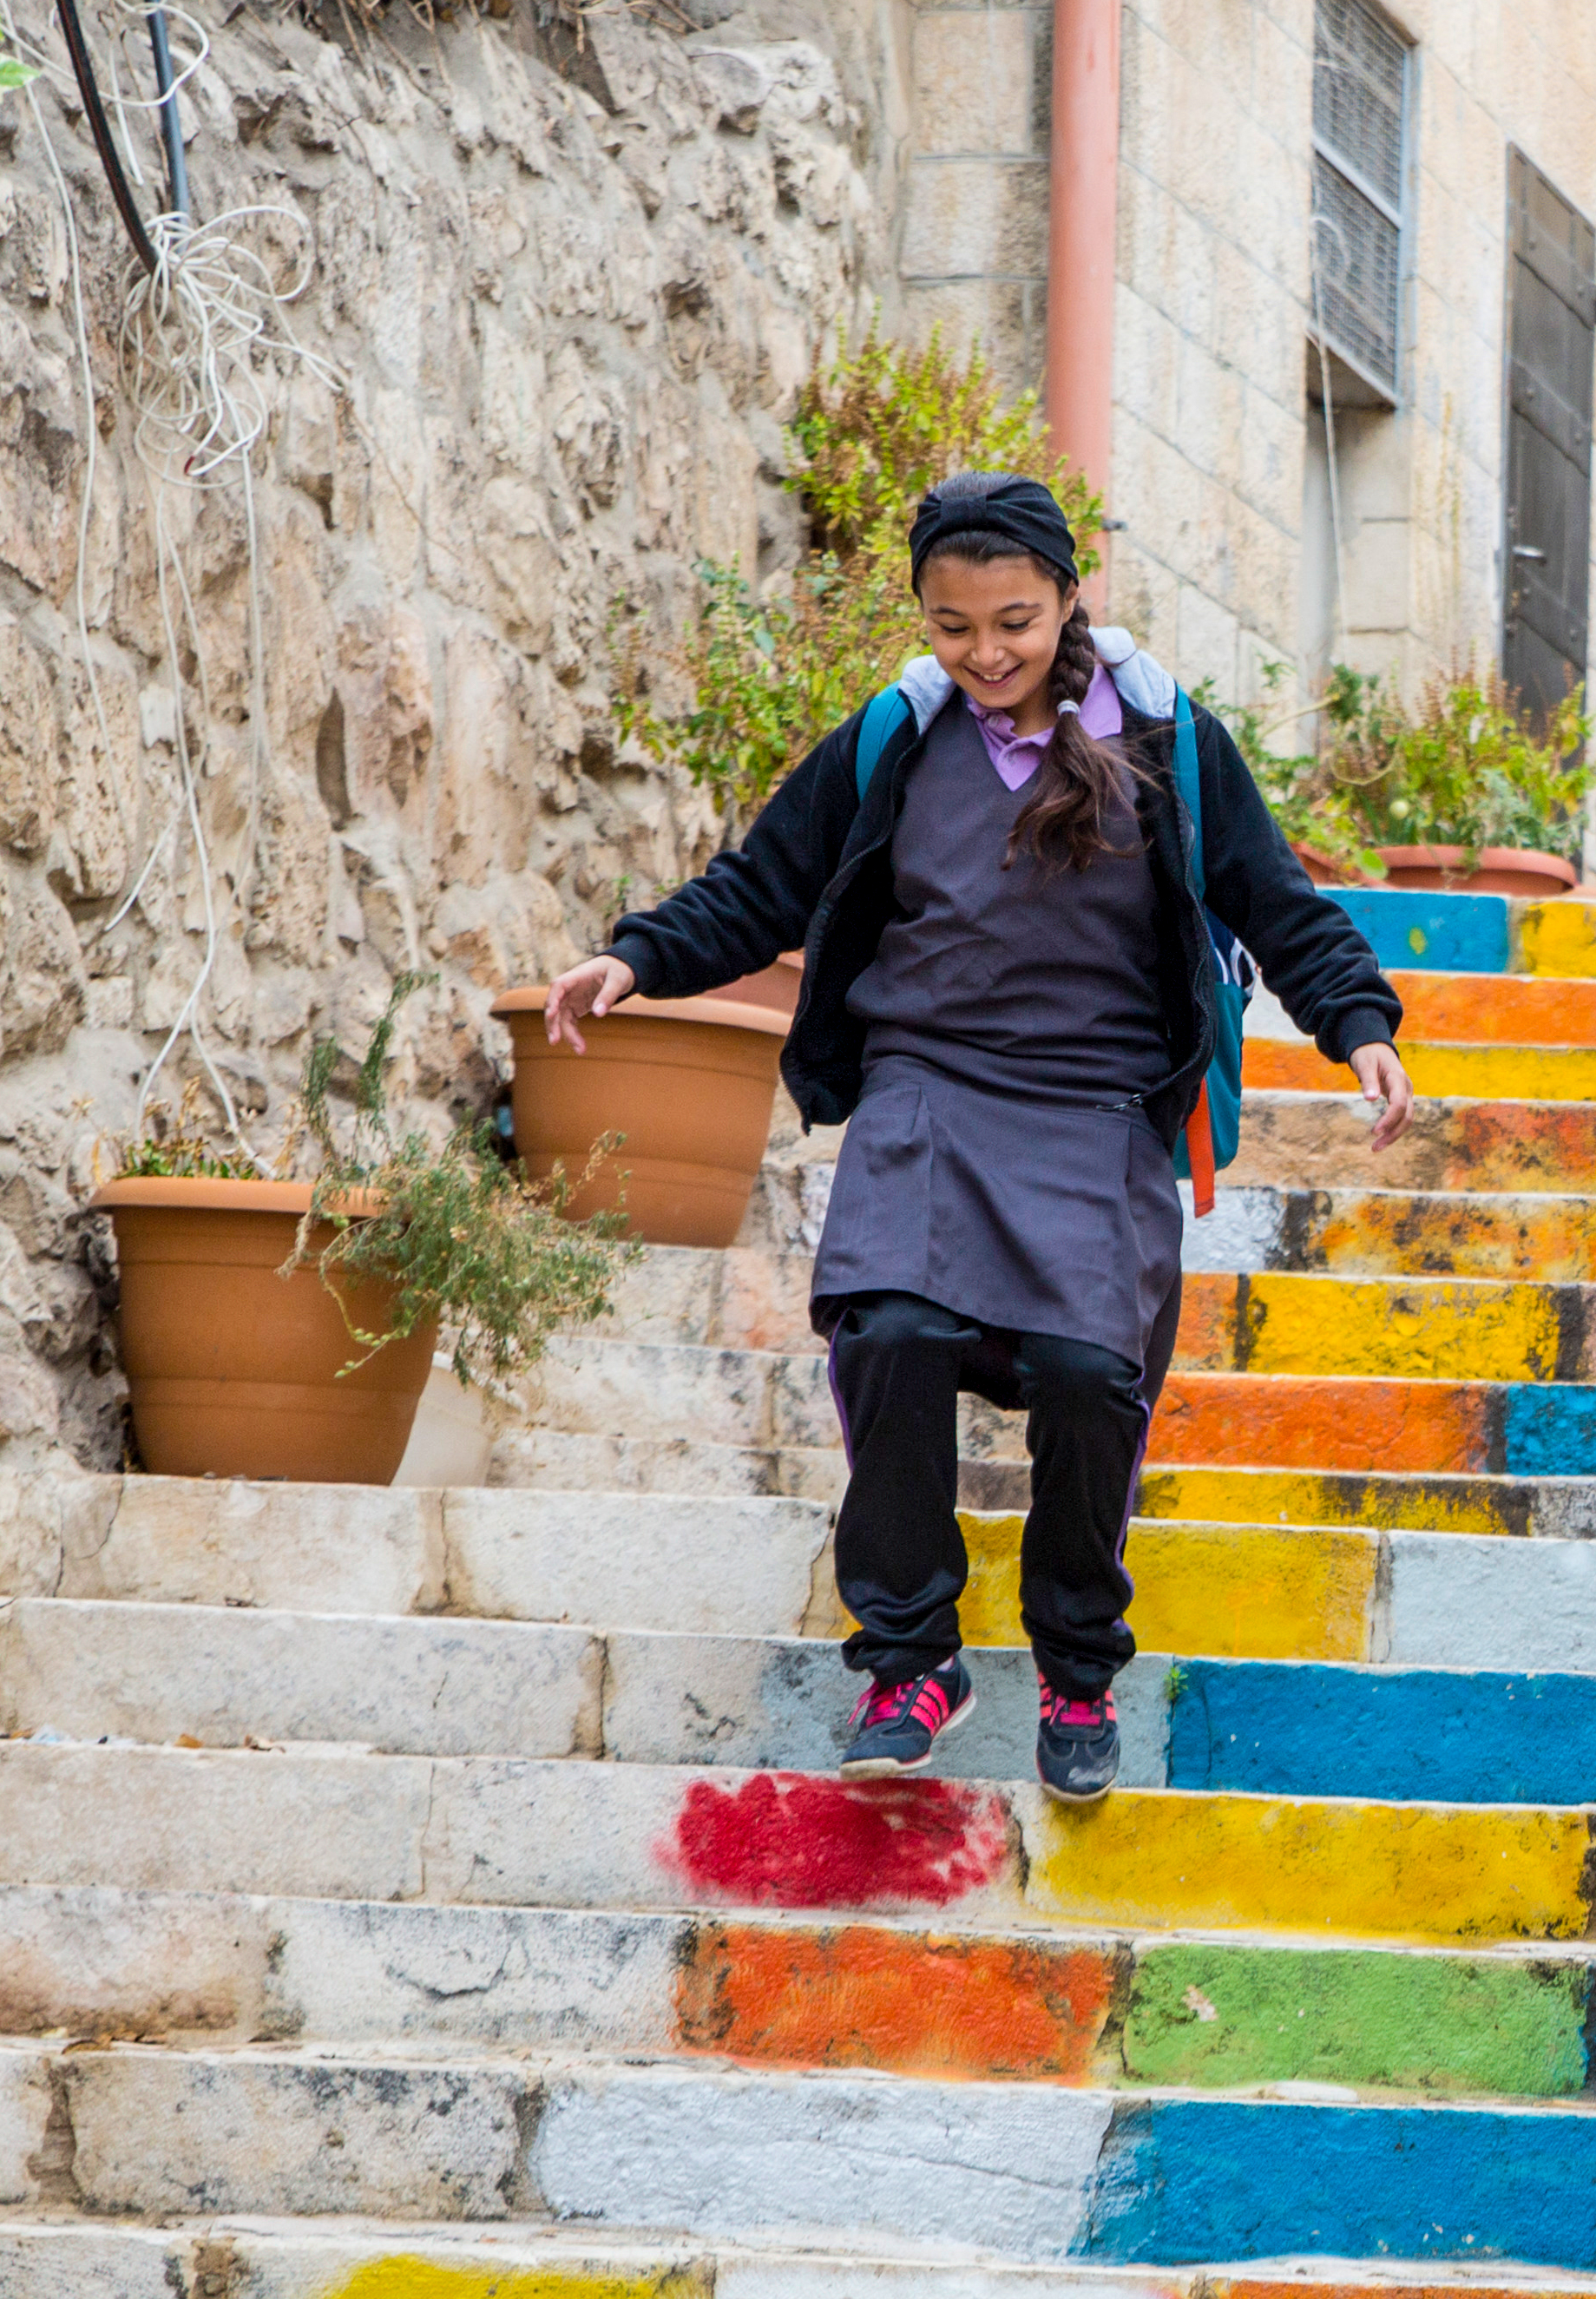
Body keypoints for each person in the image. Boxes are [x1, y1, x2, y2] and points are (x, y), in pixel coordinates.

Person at [535, 472, 1413, 1803]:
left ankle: (1074, 1665)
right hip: (926, 1091)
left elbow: (1275, 902)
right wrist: (636, 958)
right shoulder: (895, 735)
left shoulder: (1168, 739)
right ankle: (907, 1658)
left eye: (1014, 620)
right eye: (955, 626)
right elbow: (762, 883)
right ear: (924, 620)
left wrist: (1357, 1024)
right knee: (884, 1333)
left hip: (1100, 1110)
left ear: (1069, 599)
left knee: (1081, 1374)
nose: (987, 653)